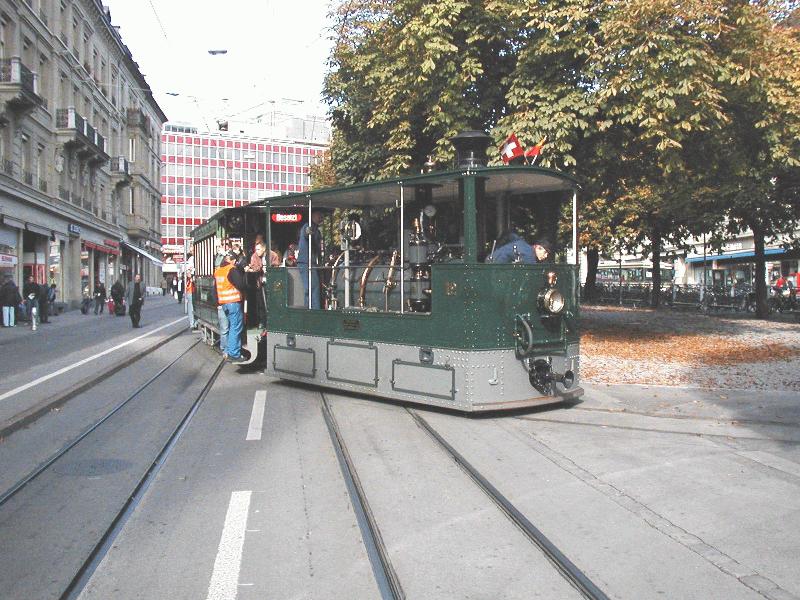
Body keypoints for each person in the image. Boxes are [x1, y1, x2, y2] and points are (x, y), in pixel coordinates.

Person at [214, 251, 247, 362]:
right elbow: (241, 284)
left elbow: (215, 289)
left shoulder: (218, 271)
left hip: (224, 304)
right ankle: (234, 353)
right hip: (233, 302)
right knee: (235, 327)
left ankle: (231, 351)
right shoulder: (231, 269)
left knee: (231, 327)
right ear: (232, 260)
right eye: (235, 261)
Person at [297, 209, 324, 308]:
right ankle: (312, 311)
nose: (321, 217)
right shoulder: (308, 226)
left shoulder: (317, 231)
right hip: (305, 262)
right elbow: (306, 233)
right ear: (312, 215)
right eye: (319, 215)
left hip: (311, 262)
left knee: (313, 287)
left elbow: (317, 249)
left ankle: (312, 309)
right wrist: (309, 232)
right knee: (311, 288)